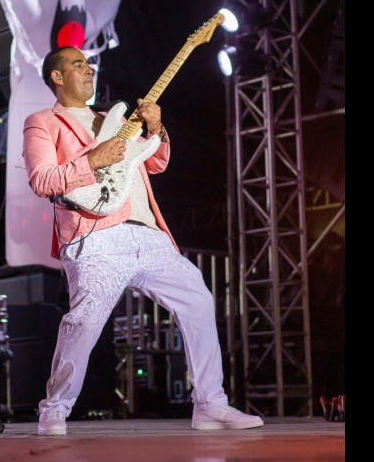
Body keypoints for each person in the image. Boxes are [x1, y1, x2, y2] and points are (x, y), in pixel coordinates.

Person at [22, 45, 264, 436]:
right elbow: (42, 180)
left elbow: (155, 163)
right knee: (84, 322)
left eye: (89, 64)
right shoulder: (42, 122)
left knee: (198, 301)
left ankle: (210, 405)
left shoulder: (115, 119)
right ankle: (54, 409)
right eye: (78, 64)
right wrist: (92, 160)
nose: (89, 69)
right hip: (95, 236)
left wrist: (157, 129)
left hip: (148, 233)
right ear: (57, 76)